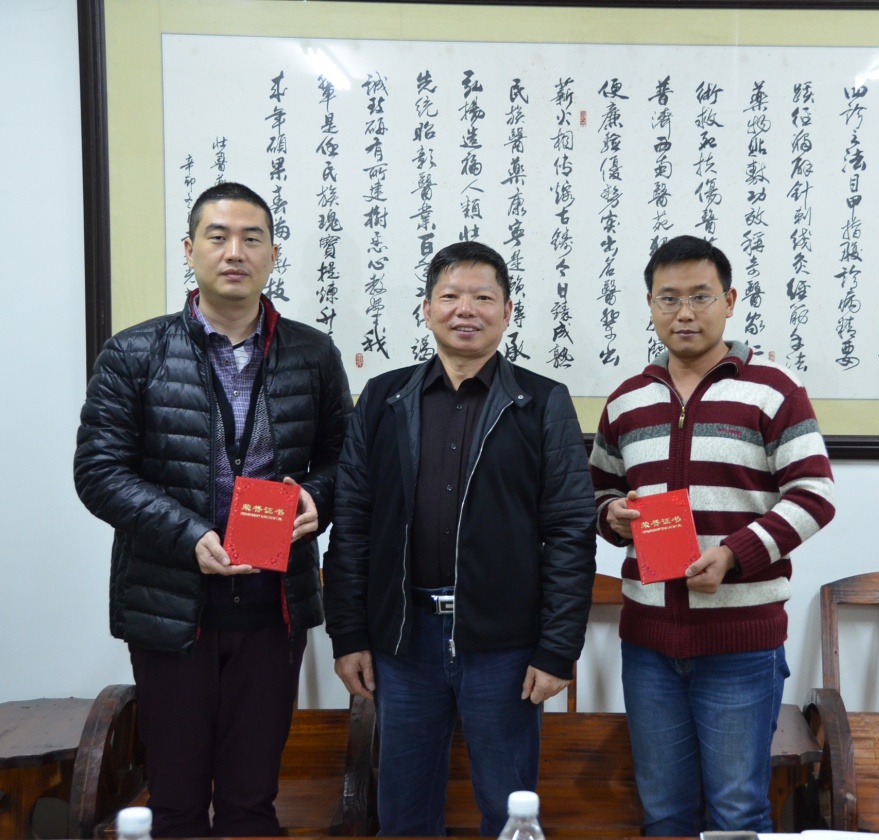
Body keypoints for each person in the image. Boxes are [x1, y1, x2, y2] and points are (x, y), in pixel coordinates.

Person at [74, 181, 352, 837]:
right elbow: (99, 472)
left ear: (273, 254)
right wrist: (189, 534)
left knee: (251, 804)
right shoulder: (134, 353)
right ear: (189, 249)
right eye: (218, 237)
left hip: (274, 607)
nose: (235, 252)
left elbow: (348, 461)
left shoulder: (312, 353)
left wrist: (318, 497)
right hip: (172, 606)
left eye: (252, 238)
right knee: (174, 801)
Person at [322, 240, 596, 836]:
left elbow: (571, 529)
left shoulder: (541, 402)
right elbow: (353, 522)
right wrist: (348, 634)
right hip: (404, 639)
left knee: (508, 809)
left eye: (482, 297)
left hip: (504, 643)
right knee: (405, 813)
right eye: (449, 296)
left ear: (507, 311)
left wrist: (557, 649)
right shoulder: (384, 398)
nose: (465, 309)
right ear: (426, 309)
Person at [589, 234, 836, 836]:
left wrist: (734, 554)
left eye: (700, 296)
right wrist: (612, 514)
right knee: (663, 813)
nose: (684, 313)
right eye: (668, 298)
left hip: (740, 646)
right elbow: (598, 492)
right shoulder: (626, 402)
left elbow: (814, 495)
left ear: (728, 300)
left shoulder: (773, 390)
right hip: (648, 645)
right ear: (650, 304)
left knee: (737, 811)